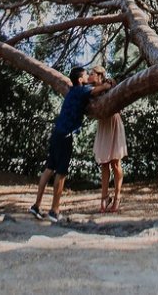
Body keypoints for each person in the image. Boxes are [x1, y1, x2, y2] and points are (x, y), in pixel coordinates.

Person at [29, 66, 106, 223]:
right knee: (61, 172)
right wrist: (108, 83)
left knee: (49, 169)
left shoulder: (73, 90)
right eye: (86, 75)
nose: (88, 77)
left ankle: (36, 206)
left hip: (57, 132)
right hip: (65, 136)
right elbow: (101, 89)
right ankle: (54, 210)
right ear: (80, 80)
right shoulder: (82, 90)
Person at [91, 66, 127, 213]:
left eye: (92, 74)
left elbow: (118, 95)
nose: (89, 76)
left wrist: (107, 85)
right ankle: (104, 198)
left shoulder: (110, 83)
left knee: (115, 163)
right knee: (104, 163)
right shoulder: (91, 90)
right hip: (103, 124)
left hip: (113, 122)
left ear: (99, 75)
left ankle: (117, 197)